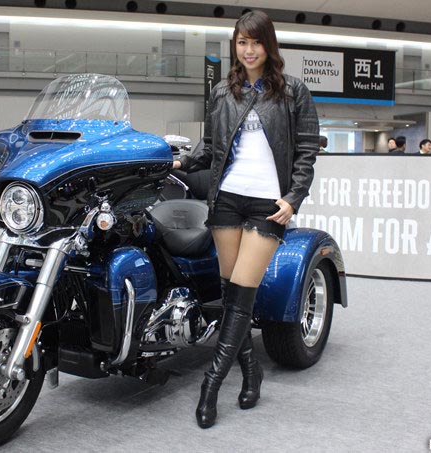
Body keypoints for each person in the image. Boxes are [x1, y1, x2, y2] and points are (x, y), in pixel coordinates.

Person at [173, 10, 319, 429]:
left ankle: (210, 386)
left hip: (268, 205)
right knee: (233, 297)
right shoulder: (223, 91)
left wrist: (293, 198)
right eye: (242, 42)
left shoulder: (293, 91)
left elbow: (307, 150)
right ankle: (252, 372)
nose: (249, 50)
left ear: (268, 45)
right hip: (227, 200)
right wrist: (179, 162)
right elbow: (210, 149)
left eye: (256, 42)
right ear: (234, 46)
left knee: (240, 295)